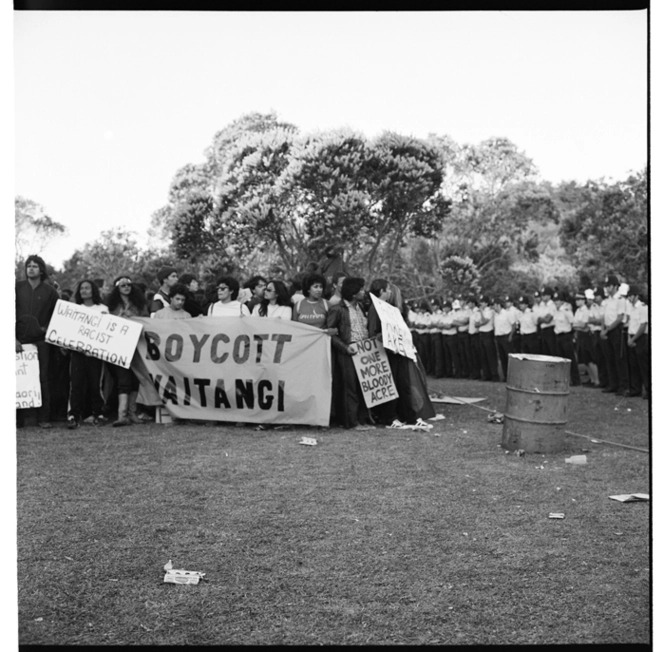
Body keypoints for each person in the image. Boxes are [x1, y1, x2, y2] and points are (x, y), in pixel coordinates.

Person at [324, 277, 374, 430]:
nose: (364, 292)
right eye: (361, 289)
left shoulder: (360, 307)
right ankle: (351, 422)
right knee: (349, 387)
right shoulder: (337, 309)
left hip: (364, 351)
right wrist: (345, 348)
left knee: (363, 387)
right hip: (348, 352)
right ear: (353, 293)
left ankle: (362, 419)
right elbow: (330, 333)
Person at [16, 255, 60, 428]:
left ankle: (43, 418)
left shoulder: (50, 291)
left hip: (41, 342)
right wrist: (13, 339)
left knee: (42, 378)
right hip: (19, 341)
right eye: (29, 266)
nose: (31, 269)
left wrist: (46, 330)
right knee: (17, 379)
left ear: (41, 270)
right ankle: (18, 419)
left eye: (35, 266)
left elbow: (58, 315)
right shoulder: (16, 288)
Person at [106, 274, 150, 426]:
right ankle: (122, 414)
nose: (126, 287)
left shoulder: (139, 305)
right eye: (123, 285)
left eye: (129, 285)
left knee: (135, 378)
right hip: (118, 346)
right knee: (123, 379)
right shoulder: (111, 306)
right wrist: (118, 317)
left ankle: (132, 413)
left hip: (136, 346)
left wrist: (133, 317)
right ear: (117, 288)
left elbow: (147, 322)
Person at [67, 279, 109, 429]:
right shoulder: (74, 309)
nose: (84, 291)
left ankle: (99, 413)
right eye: (81, 288)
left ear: (93, 291)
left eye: (87, 288)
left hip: (96, 355)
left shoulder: (103, 309)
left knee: (95, 384)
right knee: (76, 384)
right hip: (78, 353)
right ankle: (73, 415)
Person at [599, 275, 629, 394]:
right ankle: (613, 384)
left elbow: (619, 318)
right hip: (607, 330)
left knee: (619, 358)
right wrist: (602, 329)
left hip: (616, 330)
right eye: (606, 286)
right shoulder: (607, 300)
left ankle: (623, 386)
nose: (607, 288)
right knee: (609, 358)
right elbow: (603, 316)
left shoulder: (620, 300)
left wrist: (607, 330)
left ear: (616, 286)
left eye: (609, 286)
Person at [625, 284, 649, 399]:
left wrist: (633, 339)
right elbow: (631, 325)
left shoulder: (643, 307)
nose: (629, 298)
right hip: (632, 337)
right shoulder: (632, 308)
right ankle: (636, 389)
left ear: (636, 296)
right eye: (628, 296)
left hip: (641, 338)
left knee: (643, 366)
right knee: (633, 365)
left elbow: (643, 326)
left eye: (631, 296)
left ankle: (649, 390)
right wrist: (629, 339)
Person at [552, 291, 580, 385]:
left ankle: (576, 380)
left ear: (562, 301)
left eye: (558, 300)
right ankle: (564, 379)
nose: (556, 302)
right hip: (558, 336)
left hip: (566, 336)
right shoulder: (556, 310)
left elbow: (573, 323)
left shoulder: (566, 310)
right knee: (560, 359)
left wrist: (573, 336)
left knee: (570, 358)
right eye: (555, 301)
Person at [572, 291, 597, 386]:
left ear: (583, 300)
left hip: (586, 335)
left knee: (590, 358)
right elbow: (575, 324)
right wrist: (577, 325)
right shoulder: (578, 311)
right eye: (576, 300)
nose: (577, 302)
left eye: (579, 299)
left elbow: (584, 325)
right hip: (580, 335)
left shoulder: (586, 310)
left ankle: (596, 380)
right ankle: (591, 379)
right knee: (585, 359)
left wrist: (576, 325)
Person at [493, 297, 517, 381]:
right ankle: (506, 376)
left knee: (509, 358)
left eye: (495, 305)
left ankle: (513, 376)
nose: (493, 307)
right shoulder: (495, 315)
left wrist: (511, 336)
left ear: (498, 305)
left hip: (506, 336)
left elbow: (514, 325)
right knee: (502, 358)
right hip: (498, 337)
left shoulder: (507, 313)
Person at [476, 295, 499, 381]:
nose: (481, 304)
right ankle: (486, 375)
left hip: (488, 333)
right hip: (482, 333)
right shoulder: (480, 311)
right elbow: (477, 323)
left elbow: (484, 321)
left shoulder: (490, 311)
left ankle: (494, 375)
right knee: (484, 356)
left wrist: (481, 312)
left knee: (491, 356)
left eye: (482, 302)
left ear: (486, 303)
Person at [535, 287, 557, 356]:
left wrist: (542, 319)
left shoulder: (552, 305)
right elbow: (537, 319)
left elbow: (548, 320)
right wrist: (543, 318)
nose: (542, 297)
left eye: (544, 295)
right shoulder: (542, 306)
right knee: (545, 353)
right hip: (543, 331)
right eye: (542, 295)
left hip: (550, 330)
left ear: (549, 296)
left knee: (552, 352)